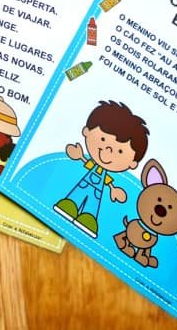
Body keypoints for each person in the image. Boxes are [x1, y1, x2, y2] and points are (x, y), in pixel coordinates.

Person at [54, 100, 148, 238]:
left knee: (93, 204)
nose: (107, 151)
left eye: (120, 151)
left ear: (132, 163)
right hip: (84, 185)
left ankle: (88, 219)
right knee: (76, 195)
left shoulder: (106, 175)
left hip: (97, 191)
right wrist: (79, 156)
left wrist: (114, 189)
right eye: (103, 139)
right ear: (86, 131)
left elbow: (108, 182)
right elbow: (86, 161)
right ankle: (68, 205)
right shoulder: (93, 164)